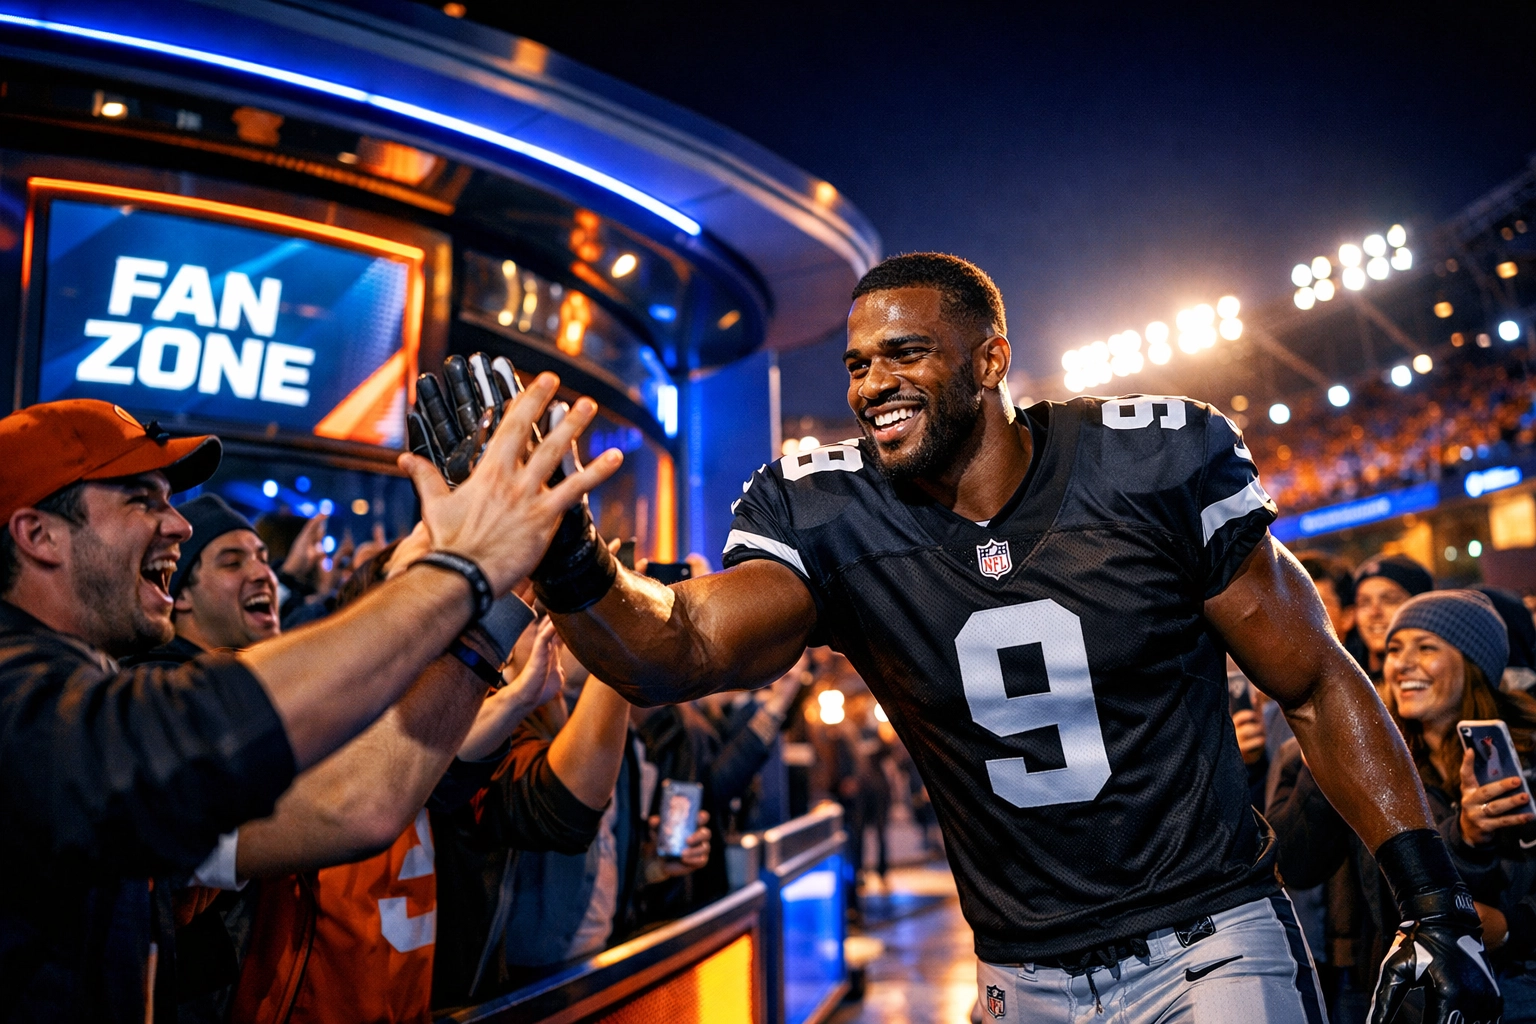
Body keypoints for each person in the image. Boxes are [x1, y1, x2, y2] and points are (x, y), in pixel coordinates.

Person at [542, 253, 1498, 1022]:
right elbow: (684, 647)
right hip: (1018, 969)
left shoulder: (1149, 463)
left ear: (990, 361)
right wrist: (571, 556)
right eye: (859, 364)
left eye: (905, 354)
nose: (874, 384)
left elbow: (1317, 683)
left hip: (1207, 943)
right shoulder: (829, 511)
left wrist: (1434, 903)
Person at [0, 382, 620, 1020]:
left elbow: (355, 802)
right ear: (39, 534)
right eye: (140, 500)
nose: (179, 524)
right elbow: (219, 719)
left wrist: (500, 593)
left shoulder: (90, 726)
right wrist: (466, 568)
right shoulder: (21, 707)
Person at [1381, 590, 1536, 1021]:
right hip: (1430, 996)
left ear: (1473, 664)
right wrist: (1467, 836)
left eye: (1426, 647)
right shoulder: (1387, 764)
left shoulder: (1527, 752)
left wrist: (1509, 930)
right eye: (1395, 649)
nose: (1403, 663)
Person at [1352, 554, 1434, 682]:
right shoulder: (1347, 681)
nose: (1375, 612)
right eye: (1364, 603)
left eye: (1390, 600)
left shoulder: (1431, 683)